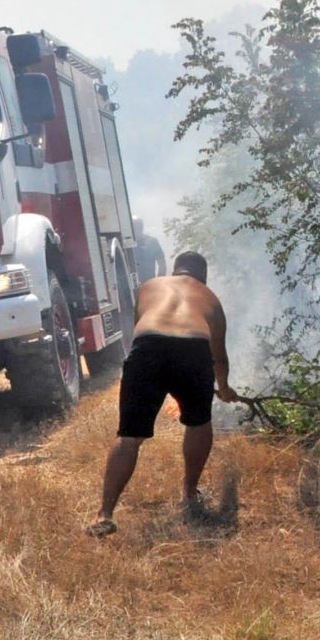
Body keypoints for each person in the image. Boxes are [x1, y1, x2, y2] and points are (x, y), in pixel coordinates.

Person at [86, 250, 239, 537]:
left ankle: (103, 514)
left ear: (174, 270)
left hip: (148, 348)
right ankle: (190, 493)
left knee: (129, 437)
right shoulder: (211, 299)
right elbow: (219, 356)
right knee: (198, 423)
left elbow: (139, 330)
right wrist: (225, 387)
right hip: (193, 350)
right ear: (201, 276)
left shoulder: (150, 286)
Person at [133, 217, 168, 281]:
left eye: (138, 227)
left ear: (141, 228)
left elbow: (161, 263)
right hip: (130, 285)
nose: (136, 229)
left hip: (149, 283)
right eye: (135, 227)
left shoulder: (152, 242)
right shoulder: (127, 244)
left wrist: (159, 281)